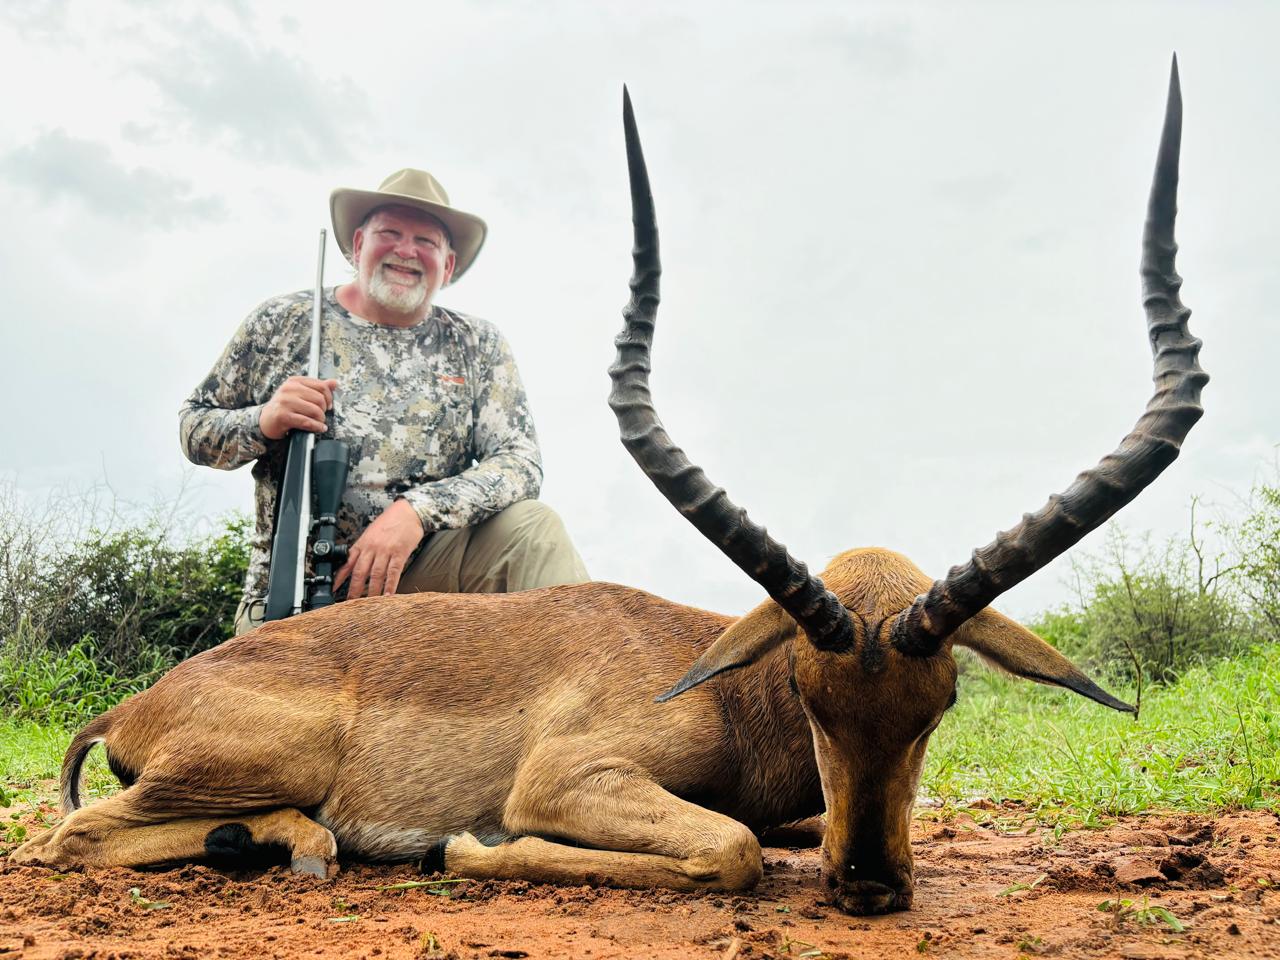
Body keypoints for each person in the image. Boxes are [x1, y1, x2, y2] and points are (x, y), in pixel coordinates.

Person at [180, 168, 589, 634]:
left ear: (448, 266)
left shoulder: (477, 344)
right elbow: (194, 427)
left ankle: (598, 678)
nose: (406, 251)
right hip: (294, 593)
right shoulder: (283, 321)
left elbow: (520, 464)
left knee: (534, 529)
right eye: (389, 233)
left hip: (425, 582)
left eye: (426, 241)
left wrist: (416, 511)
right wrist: (264, 420)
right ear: (358, 245)